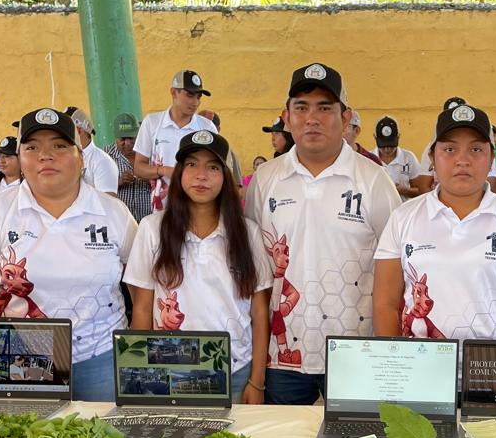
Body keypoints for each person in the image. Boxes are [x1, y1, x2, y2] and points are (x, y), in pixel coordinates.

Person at [244, 62, 401, 403]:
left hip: (356, 349)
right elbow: (255, 265)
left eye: (325, 108)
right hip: (281, 353)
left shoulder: (374, 181)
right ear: (286, 117)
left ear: (346, 119)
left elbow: (395, 267)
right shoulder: (266, 180)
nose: (312, 118)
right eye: (301, 107)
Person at [0, 107, 138, 402]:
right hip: (24, 358)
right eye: (32, 147)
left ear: (80, 158)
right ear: (21, 158)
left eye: (59, 146)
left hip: (103, 356)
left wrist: (134, 348)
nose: (45, 155)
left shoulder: (112, 212)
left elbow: (141, 285)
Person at [372, 103, 496, 340]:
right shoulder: (403, 218)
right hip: (422, 366)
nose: (462, 160)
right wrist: (395, 367)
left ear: (491, 157)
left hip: (495, 368)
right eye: (450, 149)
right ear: (432, 157)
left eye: (476, 149)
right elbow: (385, 304)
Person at [125, 129, 273, 404]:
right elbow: (143, 308)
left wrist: (257, 381)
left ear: (225, 177)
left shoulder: (247, 233)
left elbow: (259, 310)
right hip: (170, 371)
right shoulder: (152, 229)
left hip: (235, 371)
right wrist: (141, 378)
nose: (201, 175)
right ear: (179, 173)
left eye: (212, 167)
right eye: (191, 164)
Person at [134, 69, 216, 213]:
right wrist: (164, 170)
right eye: (190, 95)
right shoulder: (152, 122)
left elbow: (217, 167)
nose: (195, 102)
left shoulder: (207, 127)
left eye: (198, 96)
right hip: (163, 210)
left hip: (198, 208)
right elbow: (138, 167)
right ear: (173, 92)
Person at [106, 113, 151, 223]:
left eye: (131, 138)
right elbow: (94, 187)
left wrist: (150, 179)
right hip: (119, 223)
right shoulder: (105, 155)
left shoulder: (152, 153)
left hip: (149, 222)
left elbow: (168, 183)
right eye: (122, 139)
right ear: (116, 137)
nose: (127, 143)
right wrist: (117, 182)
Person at [67, 109, 119, 196]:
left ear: (79, 130)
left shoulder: (103, 162)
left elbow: (105, 204)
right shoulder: (64, 159)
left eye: (66, 131)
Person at [372, 116, 422, 199]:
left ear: (398, 137)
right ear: (375, 137)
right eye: (383, 146)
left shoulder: (408, 158)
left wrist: (405, 191)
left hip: (403, 210)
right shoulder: (369, 159)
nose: (387, 149)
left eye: (391, 146)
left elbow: (421, 191)